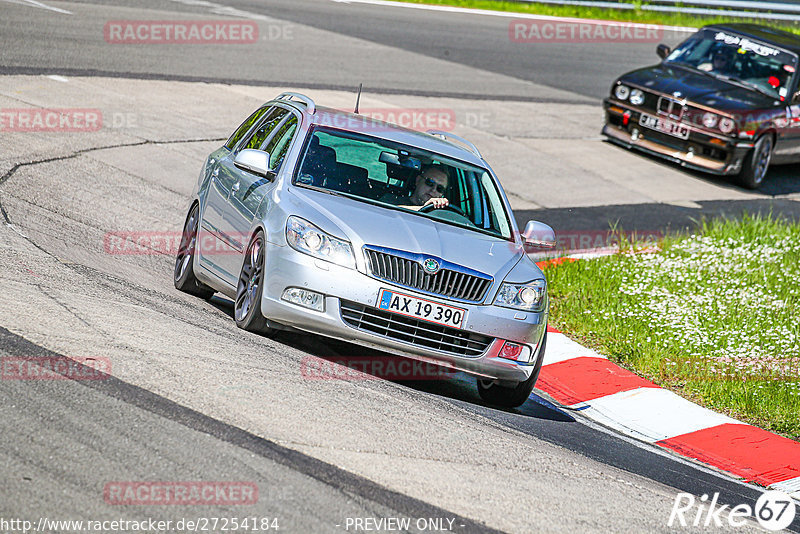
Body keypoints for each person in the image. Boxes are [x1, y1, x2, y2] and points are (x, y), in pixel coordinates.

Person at [382, 164, 450, 210]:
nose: (433, 190)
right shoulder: (391, 199)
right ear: (418, 180)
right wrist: (424, 208)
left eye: (440, 188)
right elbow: (386, 211)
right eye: (430, 183)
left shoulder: (441, 214)